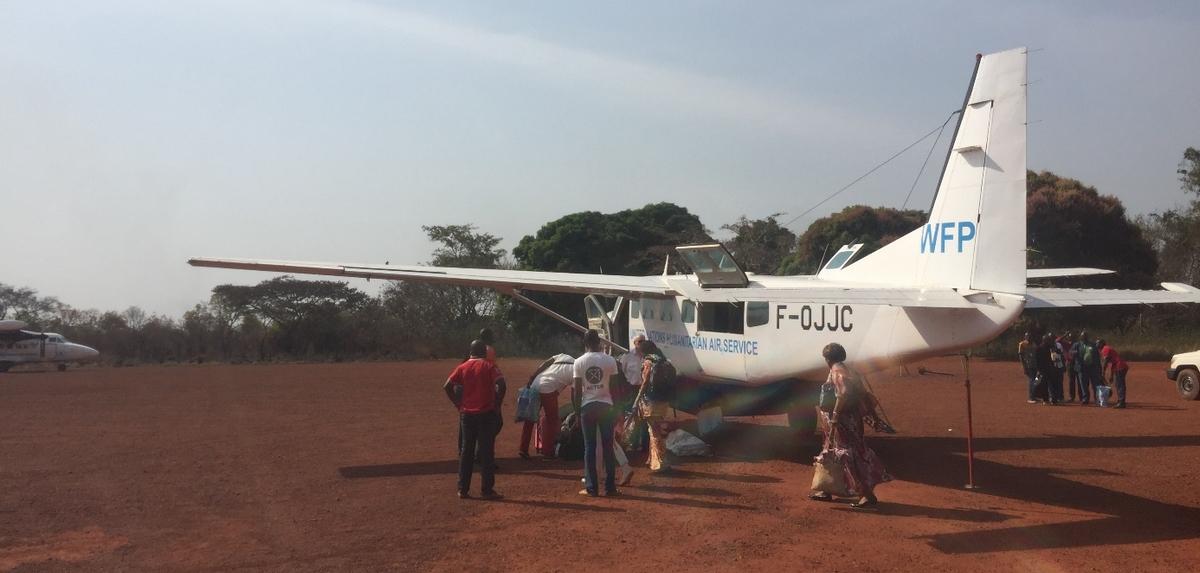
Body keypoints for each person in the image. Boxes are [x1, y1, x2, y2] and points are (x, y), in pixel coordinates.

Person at [809, 343, 891, 509]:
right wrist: (873, 416)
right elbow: (864, 395)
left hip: (842, 421)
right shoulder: (851, 371)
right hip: (851, 419)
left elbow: (842, 394)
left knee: (845, 454)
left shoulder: (837, 371)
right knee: (835, 451)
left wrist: (835, 418)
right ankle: (826, 490)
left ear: (828, 359)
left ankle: (866, 495)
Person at [444, 340, 506, 500]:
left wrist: (458, 405)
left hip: (467, 415)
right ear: (484, 353)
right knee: (486, 452)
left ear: (471, 352)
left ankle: (462, 489)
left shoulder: (462, 367)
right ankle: (487, 490)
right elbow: (502, 384)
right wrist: (497, 405)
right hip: (486, 413)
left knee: (466, 451)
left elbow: (447, 386)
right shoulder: (489, 366)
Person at [573, 329, 620, 497]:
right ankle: (610, 488)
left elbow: (577, 392)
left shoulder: (579, 362)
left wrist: (577, 413)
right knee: (608, 447)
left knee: (590, 448)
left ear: (585, 344)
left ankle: (592, 488)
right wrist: (617, 409)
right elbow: (615, 389)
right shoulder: (610, 360)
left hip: (588, 408)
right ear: (599, 342)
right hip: (606, 407)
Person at [519, 353, 574, 459]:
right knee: (552, 420)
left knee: (530, 418)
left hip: (536, 382)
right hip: (548, 388)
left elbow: (545, 364)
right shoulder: (578, 369)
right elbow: (574, 394)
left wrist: (533, 377)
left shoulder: (563, 356)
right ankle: (548, 451)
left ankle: (523, 449)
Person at [633, 340, 674, 473]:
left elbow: (644, 384)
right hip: (663, 401)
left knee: (654, 431)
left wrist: (636, 401)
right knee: (654, 430)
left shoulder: (648, 362)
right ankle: (654, 460)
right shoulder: (662, 360)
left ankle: (661, 463)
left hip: (651, 402)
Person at [616, 334, 648, 451]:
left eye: (643, 341)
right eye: (639, 341)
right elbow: (622, 373)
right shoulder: (627, 357)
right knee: (633, 417)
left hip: (645, 390)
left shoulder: (648, 356)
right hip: (632, 390)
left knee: (645, 417)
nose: (642, 343)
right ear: (634, 343)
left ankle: (645, 444)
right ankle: (633, 443)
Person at [1100, 339, 1130, 409]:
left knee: (1120, 384)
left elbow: (1106, 361)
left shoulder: (1105, 348)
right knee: (1118, 384)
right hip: (1119, 366)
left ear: (1102, 344)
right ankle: (1120, 400)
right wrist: (1111, 375)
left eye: (1098, 343)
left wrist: (1103, 372)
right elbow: (1113, 363)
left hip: (1120, 366)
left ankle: (1121, 402)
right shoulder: (1106, 348)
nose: (1097, 344)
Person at [1035, 333, 1062, 405]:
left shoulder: (1048, 347)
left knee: (1048, 384)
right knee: (1046, 384)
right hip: (1046, 369)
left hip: (1047, 369)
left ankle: (1049, 399)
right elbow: (1037, 360)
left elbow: (1057, 355)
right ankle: (1049, 399)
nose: (1049, 341)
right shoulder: (1041, 348)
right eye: (1048, 340)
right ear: (1044, 340)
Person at [1018, 331, 1039, 403]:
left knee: (1036, 379)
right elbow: (1021, 356)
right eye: (1027, 336)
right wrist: (1024, 367)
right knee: (1031, 380)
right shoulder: (1022, 344)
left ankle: (1034, 395)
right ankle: (1031, 397)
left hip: (1035, 364)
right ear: (1025, 337)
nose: (1029, 338)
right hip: (1028, 365)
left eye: (1030, 336)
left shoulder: (1033, 344)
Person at [1060, 332, 1078, 403]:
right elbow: (1057, 341)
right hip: (1070, 363)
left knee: (1080, 381)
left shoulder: (1077, 344)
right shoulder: (1066, 344)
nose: (1071, 339)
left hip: (1077, 363)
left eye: (1072, 337)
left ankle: (1083, 397)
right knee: (1071, 381)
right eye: (1070, 337)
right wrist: (1064, 335)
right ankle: (1072, 397)